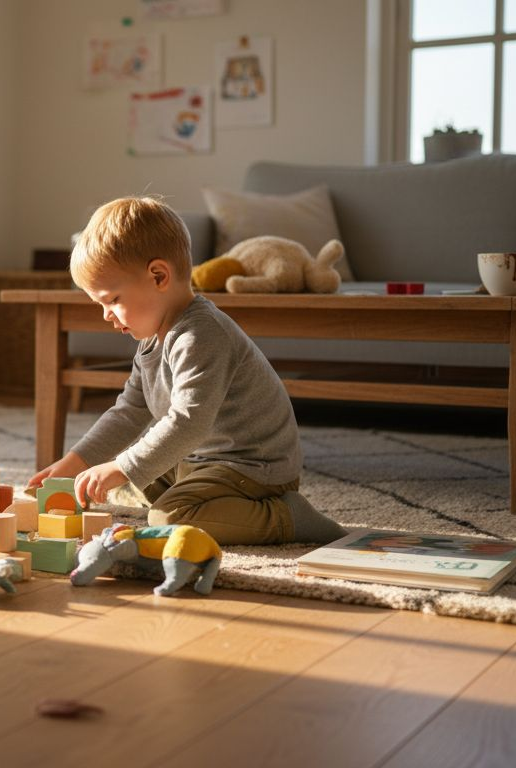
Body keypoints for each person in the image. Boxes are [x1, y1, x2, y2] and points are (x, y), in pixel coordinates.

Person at [27, 197, 345, 545]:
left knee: (168, 516)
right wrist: (75, 462)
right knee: (132, 479)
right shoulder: (152, 339)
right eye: (99, 304)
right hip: (199, 458)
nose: (106, 315)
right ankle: (165, 487)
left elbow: (189, 421)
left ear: (159, 276)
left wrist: (121, 466)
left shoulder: (200, 334)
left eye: (113, 300)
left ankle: (287, 517)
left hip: (252, 467)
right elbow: (129, 412)